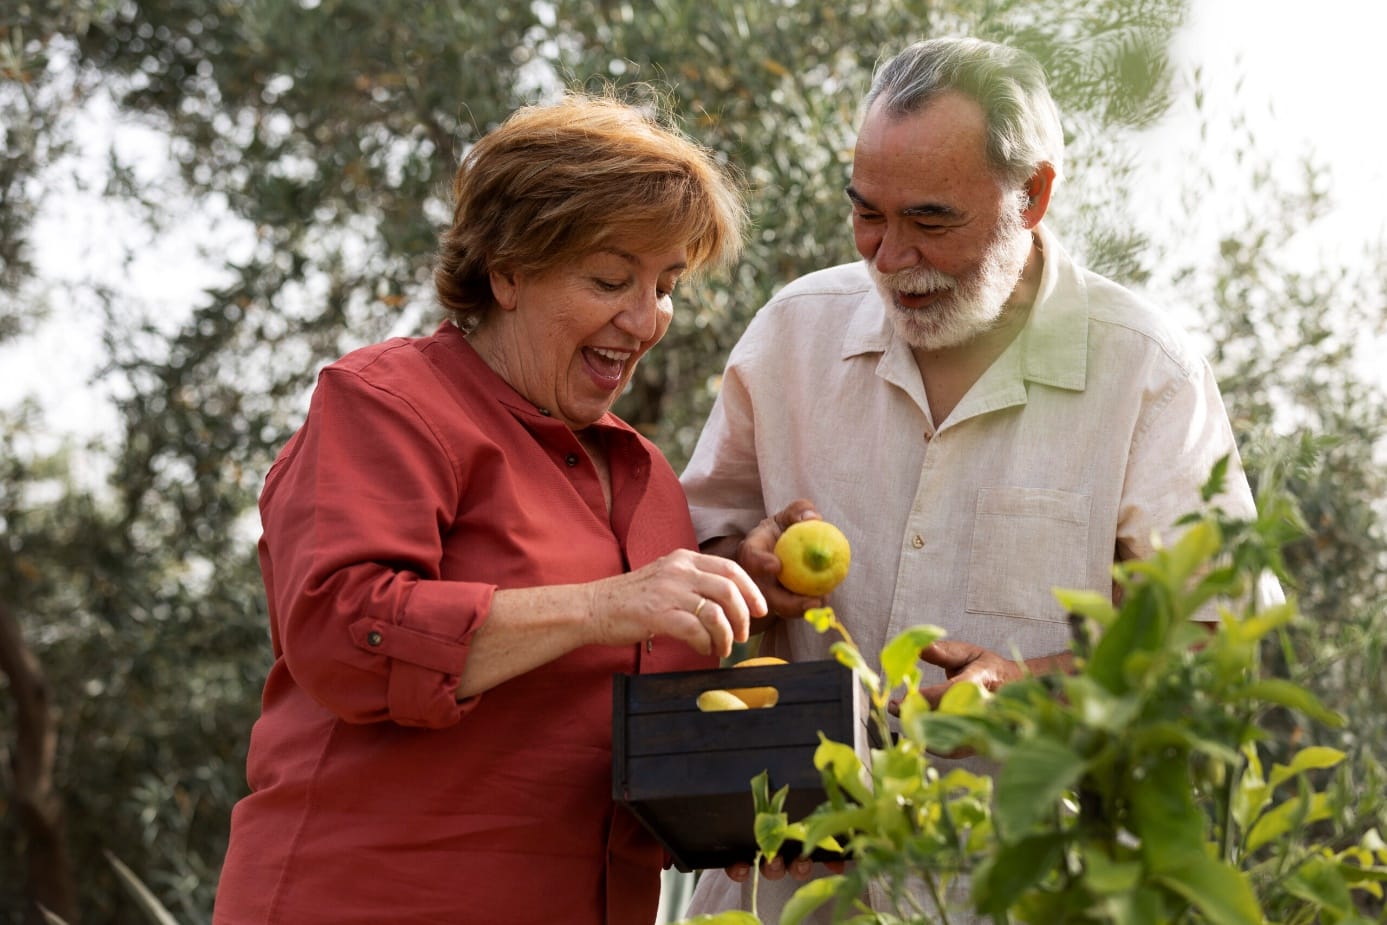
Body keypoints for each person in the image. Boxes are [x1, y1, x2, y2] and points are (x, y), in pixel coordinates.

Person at [680, 36, 1268, 922]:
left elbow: (1218, 646)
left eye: (930, 219)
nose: (888, 256)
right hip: (790, 893)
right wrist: (745, 572)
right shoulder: (790, 335)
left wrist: (1027, 684)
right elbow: (694, 557)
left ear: (1032, 194)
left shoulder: (1144, 370)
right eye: (866, 213)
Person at [212, 91, 767, 925]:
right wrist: (604, 605)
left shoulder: (646, 475)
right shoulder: (387, 403)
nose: (646, 317)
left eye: (667, 284)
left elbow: (644, 753)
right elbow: (341, 633)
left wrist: (741, 586)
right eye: (611, 278)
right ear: (506, 270)